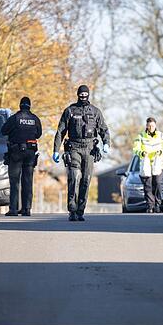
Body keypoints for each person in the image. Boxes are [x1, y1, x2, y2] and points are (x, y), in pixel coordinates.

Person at [53, 85, 110, 222]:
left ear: (88, 95)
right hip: (74, 147)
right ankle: (72, 210)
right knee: (74, 177)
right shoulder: (70, 111)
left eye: (85, 95)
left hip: (90, 148)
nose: (83, 97)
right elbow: (61, 131)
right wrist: (56, 149)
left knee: (86, 180)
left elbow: (104, 129)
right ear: (78, 95)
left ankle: (80, 210)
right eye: (81, 95)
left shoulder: (95, 112)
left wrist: (106, 143)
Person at [1, 96, 42, 216]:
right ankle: (26, 209)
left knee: (14, 181)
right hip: (30, 153)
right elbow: (38, 134)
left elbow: (3, 131)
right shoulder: (35, 119)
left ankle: (13, 209)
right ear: (30, 106)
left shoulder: (14, 118)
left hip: (16, 152)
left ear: (20, 105)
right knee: (27, 181)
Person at [133, 117, 163, 213]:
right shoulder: (141, 136)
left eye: (152, 126)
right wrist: (142, 153)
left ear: (155, 126)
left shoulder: (162, 136)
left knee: (158, 184)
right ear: (146, 126)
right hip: (146, 166)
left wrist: (161, 151)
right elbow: (135, 149)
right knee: (148, 186)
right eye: (149, 126)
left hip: (159, 165)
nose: (151, 127)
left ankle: (157, 204)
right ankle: (150, 206)